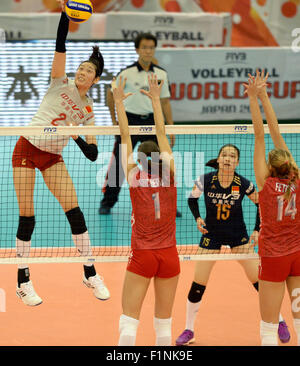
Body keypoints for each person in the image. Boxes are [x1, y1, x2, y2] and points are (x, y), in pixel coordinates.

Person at [12, 1, 110, 306]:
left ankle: (90, 272)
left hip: (53, 156)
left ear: (95, 79)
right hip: (28, 147)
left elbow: (93, 154)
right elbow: (60, 43)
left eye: (88, 70)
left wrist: (75, 132)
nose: (82, 71)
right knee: (27, 216)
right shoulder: (60, 81)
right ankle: (23, 281)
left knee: (74, 210)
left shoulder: (89, 111)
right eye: (81, 67)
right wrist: (65, 15)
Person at [176, 142, 290, 345]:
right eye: (224, 155)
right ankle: (189, 329)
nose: (228, 158)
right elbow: (192, 200)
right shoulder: (205, 181)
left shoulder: (243, 183)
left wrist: (257, 230)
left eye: (232, 156)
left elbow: (261, 204)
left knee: (259, 282)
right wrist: (198, 219)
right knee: (198, 284)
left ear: (237, 162)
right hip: (211, 235)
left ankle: (280, 321)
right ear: (219, 159)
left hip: (238, 235)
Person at [112, 73, 180, 346]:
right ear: (161, 158)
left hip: (143, 255)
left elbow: (125, 134)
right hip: (170, 256)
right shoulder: (172, 175)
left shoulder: (133, 176)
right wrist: (156, 100)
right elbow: (162, 133)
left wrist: (119, 103)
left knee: (129, 319)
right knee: (164, 324)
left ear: (140, 159)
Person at [244, 70, 300, 346]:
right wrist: (265, 97)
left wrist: (253, 99)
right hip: (297, 254)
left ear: (270, 166)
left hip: (274, 257)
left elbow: (259, 135)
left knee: (268, 325)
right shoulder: (297, 180)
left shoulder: (265, 185)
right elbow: (277, 134)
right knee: (299, 319)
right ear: (288, 164)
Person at [99, 32, 181, 217]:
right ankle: (108, 202)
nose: (148, 51)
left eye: (151, 47)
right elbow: (111, 94)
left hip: (153, 122)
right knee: (119, 164)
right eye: (144, 47)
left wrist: (171, 127)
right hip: (130, 121)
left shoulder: (161, 74)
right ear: (137, 49)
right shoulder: (126, 73)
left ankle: (168, 201)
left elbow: (165, 102)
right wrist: (114, 121)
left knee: (161, 162)